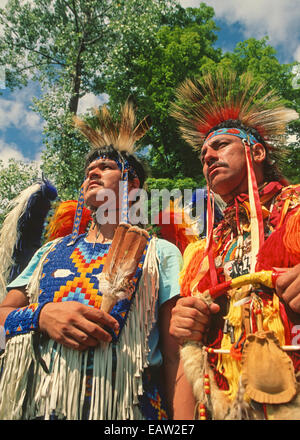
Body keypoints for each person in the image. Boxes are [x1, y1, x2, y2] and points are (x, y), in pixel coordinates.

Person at [0, 99, 182, 420]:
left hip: (130, 410)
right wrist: (42, 316)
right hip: (44, 405)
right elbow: (3, 313)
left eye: (106, 167)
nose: (93, 173)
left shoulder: (160, 253)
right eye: (88, 172)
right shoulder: (49, 252)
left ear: (132, 185)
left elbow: (174, 356)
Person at [169, 69, 300, 420]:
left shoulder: (297, 208)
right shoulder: (200, 252)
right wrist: (186, 323)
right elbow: (188, 354)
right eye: (203, 154)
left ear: (256, 152)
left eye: (221, 145)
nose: (208, 156)